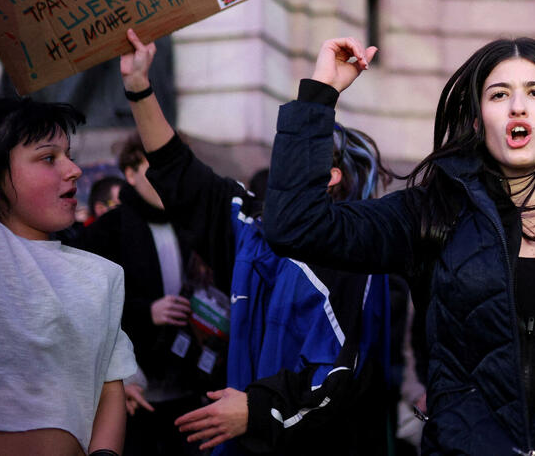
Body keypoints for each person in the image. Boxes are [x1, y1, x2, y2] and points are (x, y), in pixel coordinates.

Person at [263, 36, 535, 455]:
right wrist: (319, 96)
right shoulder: (431, 214)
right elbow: (295, 226)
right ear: (477, 119)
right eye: (498, 95)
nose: (517, 106)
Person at [119, 29, 391, 455]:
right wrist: (138, 87)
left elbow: (341, 376)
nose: (280, 160)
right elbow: (178, 170)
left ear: (330, 177)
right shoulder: (252, 229)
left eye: (294, 150)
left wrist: (257, 410)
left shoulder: (352, 255)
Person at [0, 96, 137, 456]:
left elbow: (110, 387)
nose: (73, 170)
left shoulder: (103, 276)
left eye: (69, 155)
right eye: (48, 158)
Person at [76, 132, 204, 456]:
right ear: (130, 173)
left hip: (187, 386)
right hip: (131, 390)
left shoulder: (190, 223)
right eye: (155, 167)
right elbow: (87, 307)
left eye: (175, 168)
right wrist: (147, 311)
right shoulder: (107, 229)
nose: (168, 178)